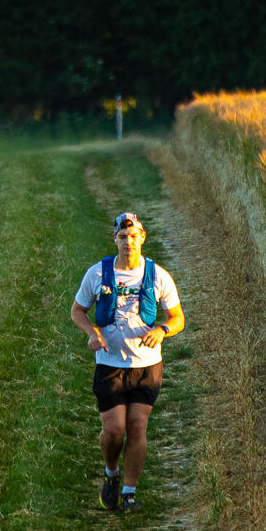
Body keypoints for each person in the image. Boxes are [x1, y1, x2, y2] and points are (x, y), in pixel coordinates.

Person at [70, 211, 185, 513]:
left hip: (147, 366)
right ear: (115, 240)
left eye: (134, 237)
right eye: (123, 237)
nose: (128, 242)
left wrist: (162, 331)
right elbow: (77, 311)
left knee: (137, 426)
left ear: (142, 238)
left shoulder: (158, 275)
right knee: (114, 431)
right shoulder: (97, 273)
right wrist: (92, 332)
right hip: (110, 364)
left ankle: (129, 491)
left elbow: (178, 318)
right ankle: (111, 473)